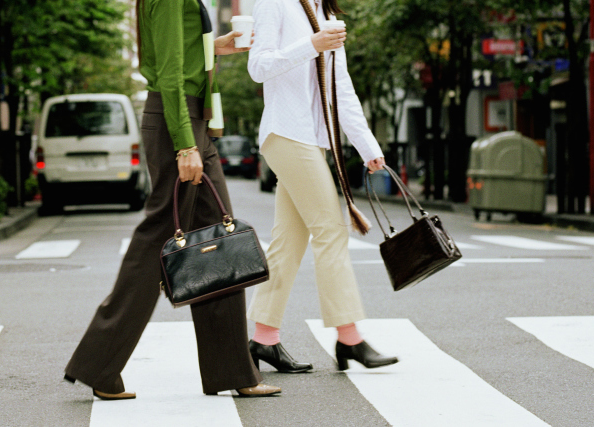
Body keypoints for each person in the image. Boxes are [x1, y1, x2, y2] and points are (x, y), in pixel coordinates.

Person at [63, 0, 280, 399]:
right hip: (176, 125)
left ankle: (233, 371)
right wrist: (184, 145)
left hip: (194, 123)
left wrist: (212, 46)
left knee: (220, 244)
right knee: (156, 242)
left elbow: (177, 52)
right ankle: (98, 364)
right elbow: (169, 72)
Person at [243, 0, 399, 373]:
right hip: (286, 133)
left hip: (312, 140)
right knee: (331, 230)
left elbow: (341, 89)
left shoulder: (326, 14)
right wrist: (312, 45)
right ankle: (350, 338)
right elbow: (258, 67)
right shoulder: (274, 3)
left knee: (289, 241)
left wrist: (367, 146)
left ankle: (264, 339)